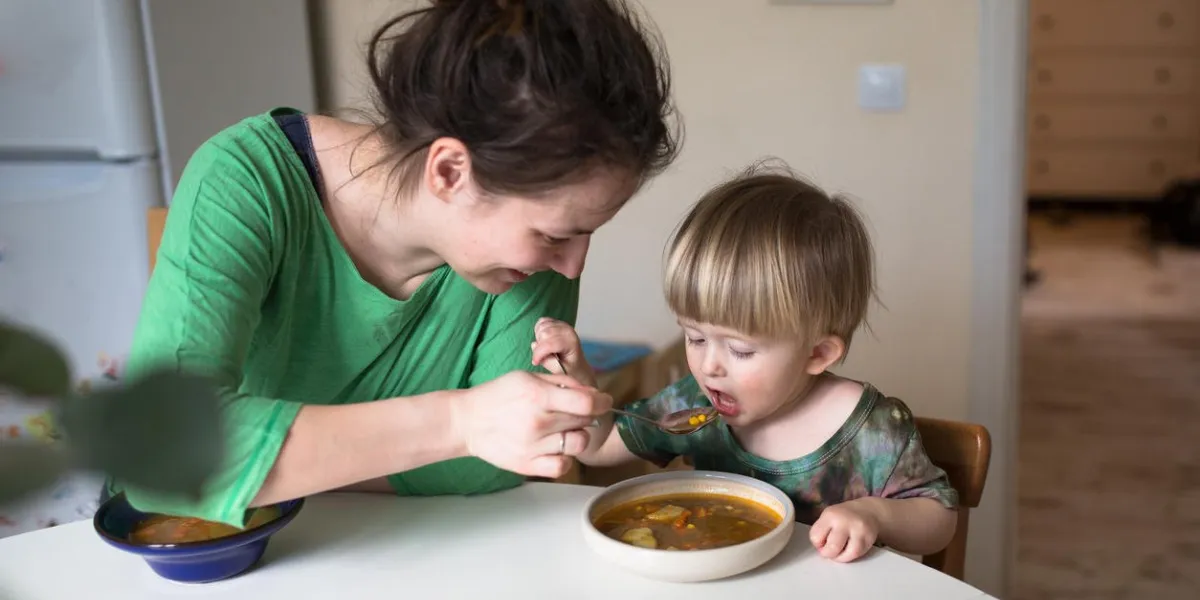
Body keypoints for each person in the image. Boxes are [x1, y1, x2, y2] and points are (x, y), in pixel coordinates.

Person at [107, 0, 680, 527]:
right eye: (555, 234)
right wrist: (461, 425)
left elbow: (495, 469)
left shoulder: (529, 266)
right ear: (450, 171)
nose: (573, 266)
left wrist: (263, 463)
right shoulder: (246, 181)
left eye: (585, 236)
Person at [532, 162, 959, 563]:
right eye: (695, 336)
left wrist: (874, 516)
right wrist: (578, 378)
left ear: (818, 353)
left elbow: (939, 520)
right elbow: (601, 447)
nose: (709, 366)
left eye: (740, 350)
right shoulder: (693, 407)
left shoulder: (871, 430)